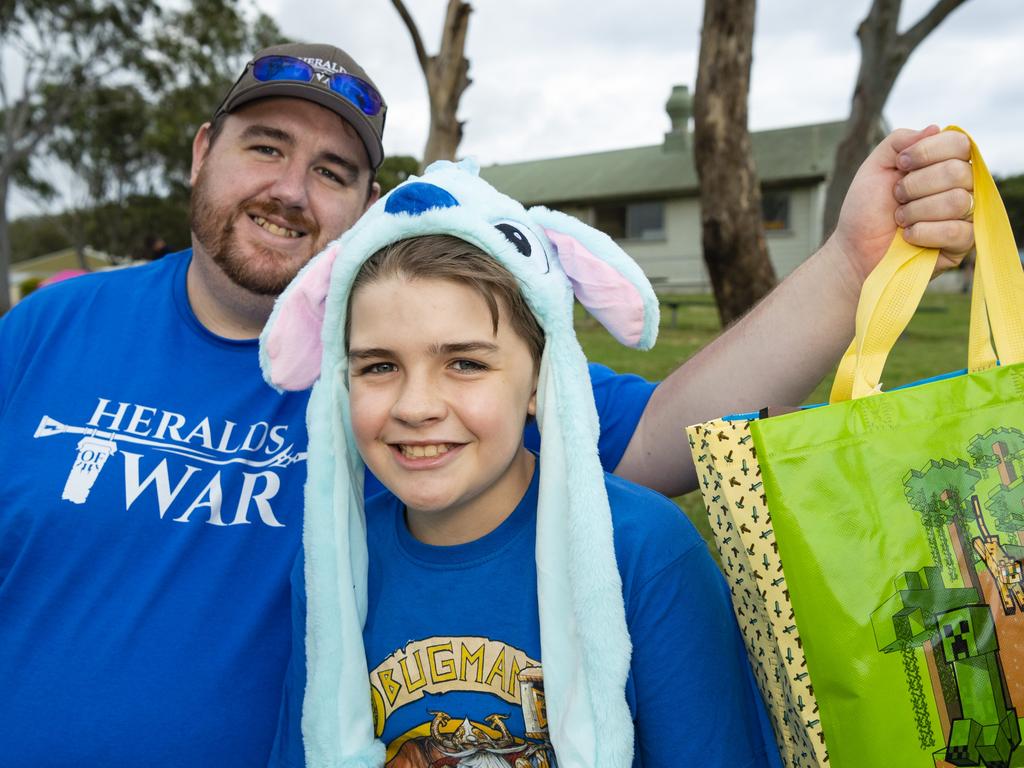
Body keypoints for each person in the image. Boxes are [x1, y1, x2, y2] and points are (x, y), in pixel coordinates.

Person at [0, 39, 973, 766]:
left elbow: (671, 441)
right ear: (203, 150)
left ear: (364, 206)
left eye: (333, 171)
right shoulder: (49, 329)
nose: (291, 190)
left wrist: (849, 265)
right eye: (264, 147)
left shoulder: (421, 369)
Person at [261, 160, 781, 767]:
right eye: (378, 366)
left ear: (539, 381)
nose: (416, 406)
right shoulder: (333, 562)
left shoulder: (646, 553)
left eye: (466, 363)